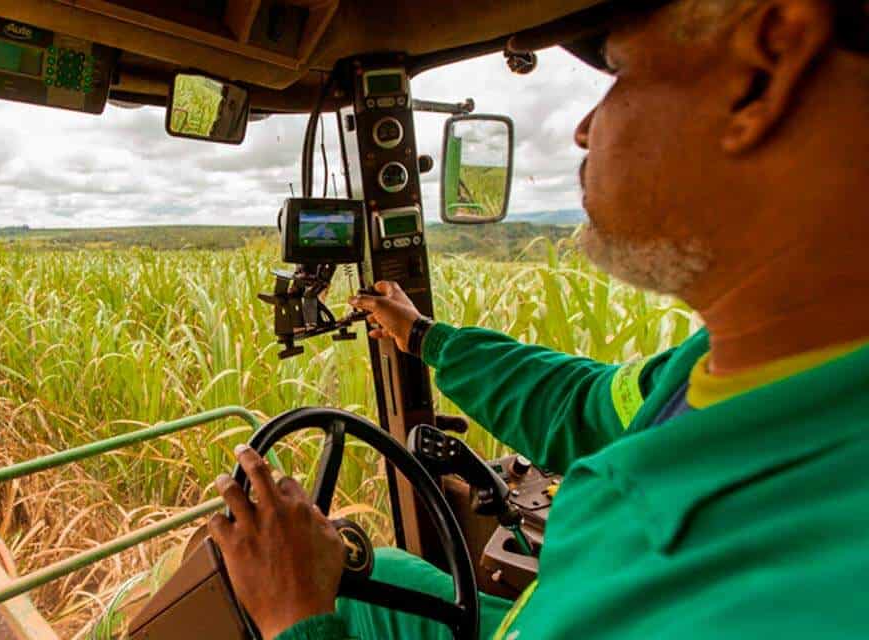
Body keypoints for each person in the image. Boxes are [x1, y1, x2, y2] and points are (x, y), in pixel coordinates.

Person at [207, 0, 869, 638]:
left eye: (620, 73)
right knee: (392, 578)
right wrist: (423, 336)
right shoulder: (715, 370)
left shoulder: (813, 596)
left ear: (764, 71)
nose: (583, 129)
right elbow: (579, 403)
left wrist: (295, 619)